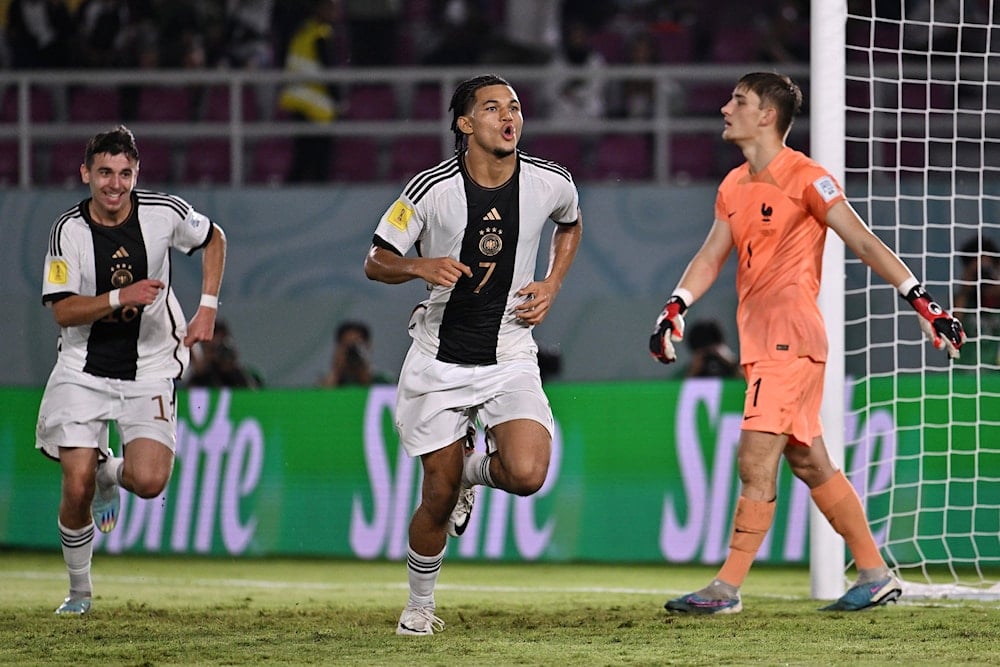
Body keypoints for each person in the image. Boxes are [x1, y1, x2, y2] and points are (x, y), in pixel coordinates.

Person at [648, 72, 965, 615]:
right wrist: (675, 305)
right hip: (765, 342)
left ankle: (726, 587)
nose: (725, 108)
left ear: (767, 116)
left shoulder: (807, 177)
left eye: (739, 101)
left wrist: (922, 300)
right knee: (810, 461)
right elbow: (710, 256)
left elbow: (861, 238)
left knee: (755, 459)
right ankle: (874, 573)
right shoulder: (733, 186)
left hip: (789, 340)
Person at [364, 73, 582, 635]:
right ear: (465, 124)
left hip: (510, 351)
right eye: (492, 108)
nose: (509, 116)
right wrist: (419, 265)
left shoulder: (550, 183)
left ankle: (473, 471)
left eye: (514, 107)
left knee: (529, 473)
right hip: (439, 358)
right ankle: (419, 604)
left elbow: (571, 225)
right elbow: (377, 259)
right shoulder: (430, 190)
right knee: (435, 495)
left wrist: (553, 282)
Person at [35, 125, 227, 615]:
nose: (115, 184)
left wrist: (207, 307)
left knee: (148, 482)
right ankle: (79, 593)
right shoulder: (68, 231)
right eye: (104, 173)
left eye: (124, 173)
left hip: (151, 366)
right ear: (86, 174)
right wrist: (123, 296)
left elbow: (214, 238)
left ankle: (111, 475)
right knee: (74, 481)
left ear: (136, 173)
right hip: (83, 368)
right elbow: (62, 310)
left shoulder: (164, 213)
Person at [277, 0, 342, 182]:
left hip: (300, 104)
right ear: (320, 9)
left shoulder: (302, 31)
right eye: (331, 7)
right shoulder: (321, 35)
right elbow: (329, 73)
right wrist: (339, 101)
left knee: (302, 160)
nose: (335, 12)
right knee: (318, 164)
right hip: (316, 108)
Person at [953, 236, 1000, 368]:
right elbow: (952, 329)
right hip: (963, 377)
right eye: (977, 273)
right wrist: (965, 289)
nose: (983, 277)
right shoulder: (962, 301)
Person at [186, 319, 262, 388]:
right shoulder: (199, 377)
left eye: (222, 347)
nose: (219, 354)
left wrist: (232, 368)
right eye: (213, 349)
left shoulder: (246, 376)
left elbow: (255, 395)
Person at [318, 320, 392, 387]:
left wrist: (364, 371)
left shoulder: (383, 381)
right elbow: (321, 398)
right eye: (347, 345)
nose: (351, 352)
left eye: (356, 345)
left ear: (368, 347)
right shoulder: (327, 382)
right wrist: (336, 370)